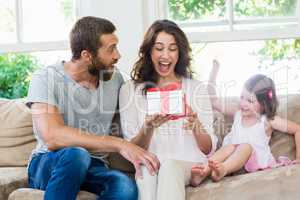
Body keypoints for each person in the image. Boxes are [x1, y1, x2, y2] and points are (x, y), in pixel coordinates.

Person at [26, 16, 160, 200]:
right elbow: (52, 136)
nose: (118, 55)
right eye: (111, 49)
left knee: (125, 186)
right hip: (49, 163)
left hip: (95, 166)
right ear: (87, 56)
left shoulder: (115, 80)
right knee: (77, 155)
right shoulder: (45, 78)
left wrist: (149, 125)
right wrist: (118, 144)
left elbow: (129, 140)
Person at [119, 19, 218, 200]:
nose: (166, 55)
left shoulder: (196, 88)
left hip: (187, 162)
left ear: (179, 53)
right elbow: (132, 149)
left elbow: (208, 148)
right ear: (149, 51)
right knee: (147, 170)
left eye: (172, 48)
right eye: (159, 48)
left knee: (170, 166)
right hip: (150, 162)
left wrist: (196, 125)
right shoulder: (130, 90)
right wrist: (148, 127)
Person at [190, 60, 300, 186]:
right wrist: (214, 72)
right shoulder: (237, 112)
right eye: (242, 97)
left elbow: (298, 129)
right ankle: (204, 171)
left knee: (245, 146)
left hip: (252, 164)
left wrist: (299, 158)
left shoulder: (268, 120)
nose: (243, 103)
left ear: (264, 105)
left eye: (250, 100)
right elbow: (214, 101)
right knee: (230, 146)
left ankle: (222, 170)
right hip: (229, 161)